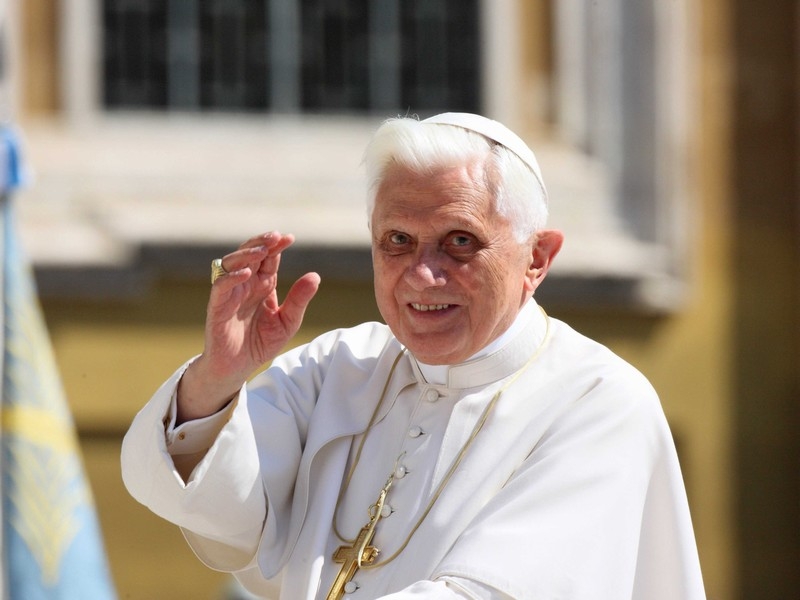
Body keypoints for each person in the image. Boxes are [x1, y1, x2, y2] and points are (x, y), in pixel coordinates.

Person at [121, 113, 706, 600]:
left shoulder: (599, 404)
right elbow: (206, 504)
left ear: (536, 259)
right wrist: (219, 379)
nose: (424, 276)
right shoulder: (341, 366)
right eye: (397, 241)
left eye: (460, 242)